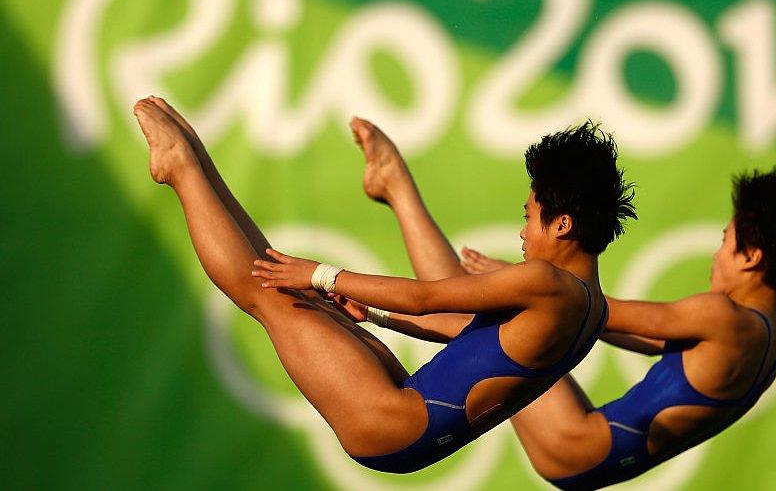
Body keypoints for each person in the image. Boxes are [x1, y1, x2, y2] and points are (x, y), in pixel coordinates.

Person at [131, 96, 634, 473]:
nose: (523, 233)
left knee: (269, 294)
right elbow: (459, 331)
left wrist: (323, 273)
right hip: (404, 417)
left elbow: (427, 295)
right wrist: (369, 313)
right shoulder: (594, 310)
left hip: (392, 419)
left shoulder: (547, 282)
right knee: (289, 291)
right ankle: (195, 158)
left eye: (530, 217)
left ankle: (179, 165)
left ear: (563, 225)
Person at [332, 121, 776, 489]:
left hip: (573, 441)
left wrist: (521, 282)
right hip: (590, 460)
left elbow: (607, 312)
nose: (716, 256)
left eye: (725, 241)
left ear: (753, 256)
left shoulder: (722, 316)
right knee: (483, 322)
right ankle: (390, 210)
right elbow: (646, 338)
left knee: (468, 309)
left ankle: (396, 185)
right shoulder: (773, 340)